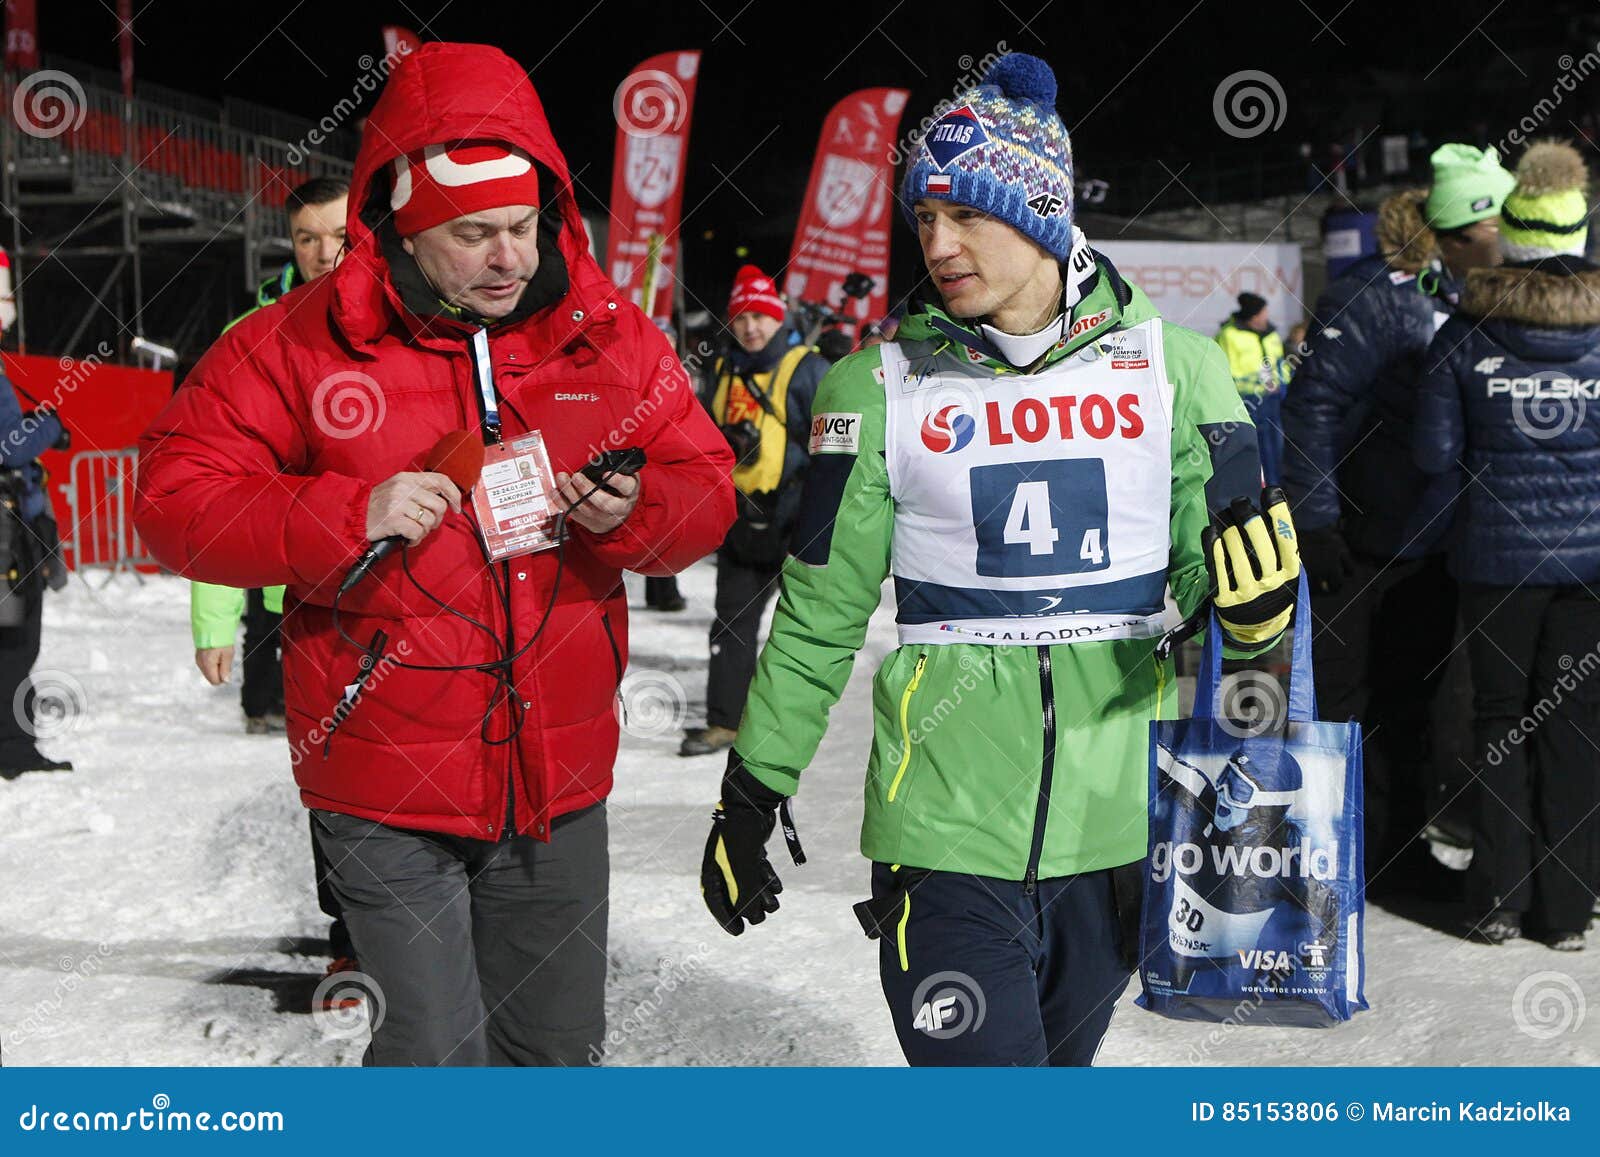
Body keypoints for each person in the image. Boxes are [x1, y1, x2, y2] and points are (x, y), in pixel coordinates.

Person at [135, 42, 735, 1065]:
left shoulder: (605, 335)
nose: (508, 255)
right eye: (473, 234)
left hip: (558, 779)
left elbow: (706, 489)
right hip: (381, 775)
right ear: (407, 231)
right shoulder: (296, 344)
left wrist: (635, 508)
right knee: (433, 1046)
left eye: (522, 225)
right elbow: (172, 501)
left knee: (554, 1049)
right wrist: (341, 512)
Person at [699, 54, 1297, 1066]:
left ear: (1043, 214)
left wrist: (1251, 616)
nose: (936, 242)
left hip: (1119, 839)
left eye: (966, 213)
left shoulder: (1180, 370)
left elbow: (1210, 590)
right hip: (942, 844)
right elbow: (816, 617)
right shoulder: (872, 385)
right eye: (922, 218)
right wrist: (750, 791)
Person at [1280, 144, 1514, 887]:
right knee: (1346, 704)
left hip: (1431, 542)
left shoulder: (1463, 295)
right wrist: (1315, 521)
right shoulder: (1369, 296)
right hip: (1357, 541)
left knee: (1414, 702)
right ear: (1453, 230)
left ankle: (1397, 849)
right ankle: (1335, 857)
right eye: (1494, 221)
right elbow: (1310, 410)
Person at [1413, 141, 1599, 951]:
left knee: (1499, 720)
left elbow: (1431, 454)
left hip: (1495, 563)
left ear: (1513, 237)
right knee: (1575, 726)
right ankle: (1567, 911)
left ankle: (1497, 900)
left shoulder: (1464, 331)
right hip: (1590, 569)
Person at [193, 176, 350, 737]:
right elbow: (216, 484)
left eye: (340, 234)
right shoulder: (249, 340)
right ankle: (262, 705)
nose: (325, 253)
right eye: (306, 238)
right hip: (291, 579)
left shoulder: (422, 325)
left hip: (399, 588)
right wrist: (213, 622)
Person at [679, 265, 827, 758]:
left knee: (802, 632)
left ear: (777, 317)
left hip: (796, 521)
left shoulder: (807, 368)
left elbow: (834, 446)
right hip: (741, 520)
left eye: (760, 316)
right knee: (731, 624)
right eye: (741, 317)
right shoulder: (722, 367)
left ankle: (790, 725)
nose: (750, 327)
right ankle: (726, 721)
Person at [0, 347, 71, 779]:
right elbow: (10, 445)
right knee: (15, 640)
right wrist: (49, 425)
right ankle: (13, 750)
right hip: (7, 533)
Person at [1215, 291, 1289, 483]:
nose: (1266, 316)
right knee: (1252, 448)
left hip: (1273, 398)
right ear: (1253, 316)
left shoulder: (1271, 334)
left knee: (1276, 447)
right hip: (1246, 399)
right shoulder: (1229, 335)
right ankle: (1258, 489)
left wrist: (1282, 384)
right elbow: (1225, 368)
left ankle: (1277, 488)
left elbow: (1280, 363)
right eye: (1263, 312)